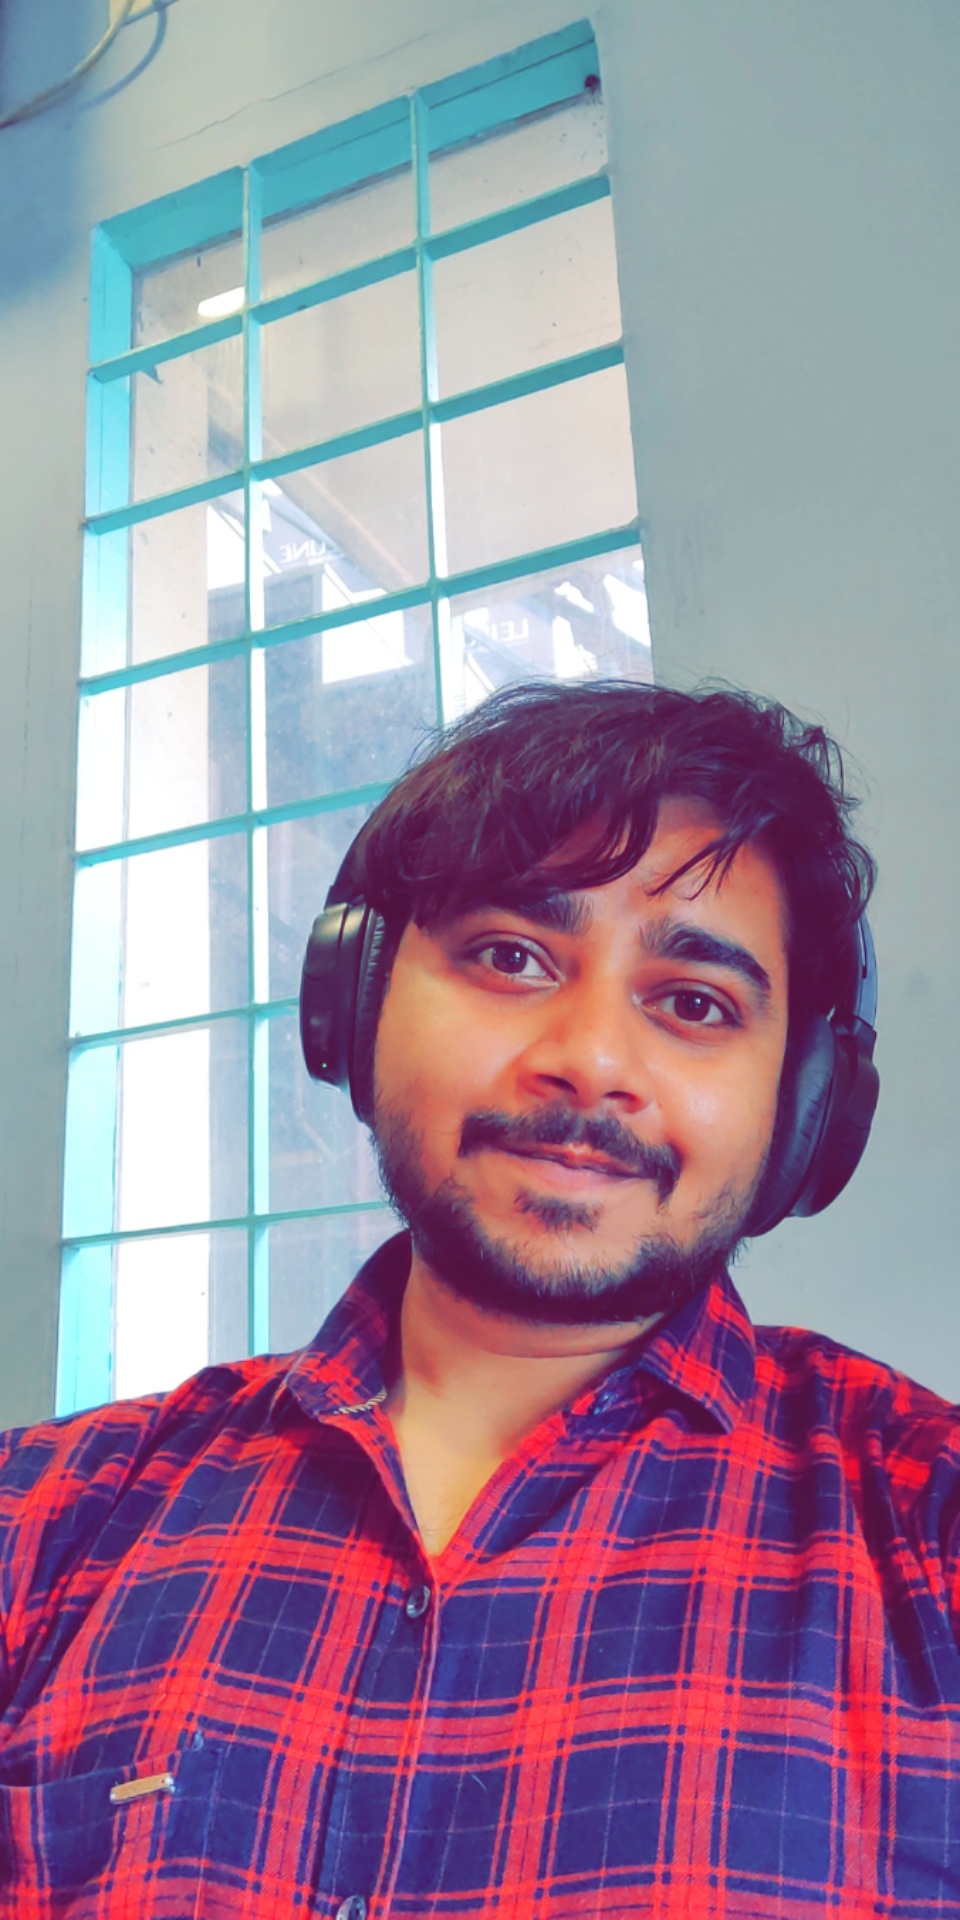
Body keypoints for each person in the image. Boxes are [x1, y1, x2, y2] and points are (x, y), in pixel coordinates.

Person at [0, 680, 957, 1920]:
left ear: (805, 1106)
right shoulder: (41, 1524)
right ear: (356, 1004)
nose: (590, 1060)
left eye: (694, 1003)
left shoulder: (927, 1529)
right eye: (511, 957)